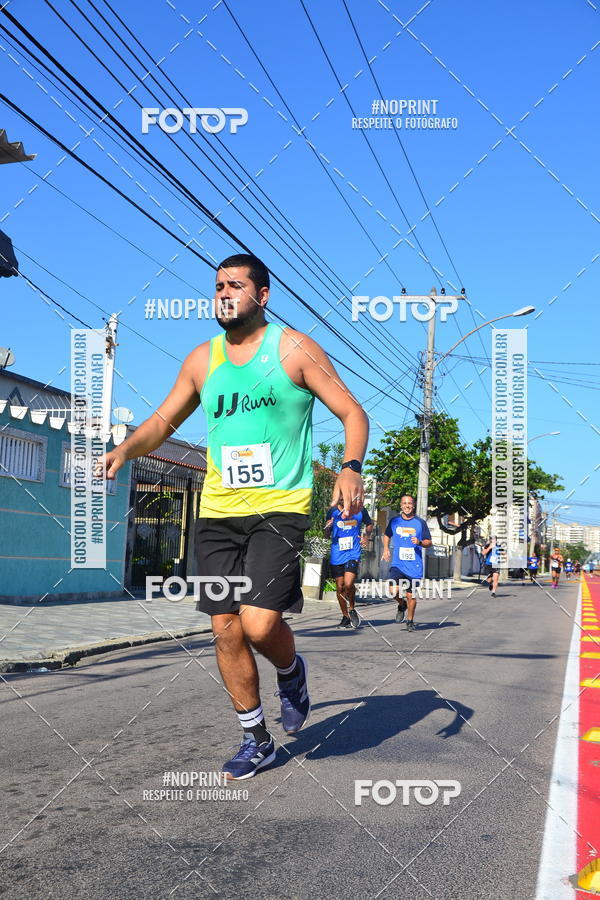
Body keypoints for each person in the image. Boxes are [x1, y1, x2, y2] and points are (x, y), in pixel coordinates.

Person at [99, 253, 368, 779]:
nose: (223, 294)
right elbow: (162, 419)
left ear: (261, 296)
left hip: (279, 508)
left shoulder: (292, 348)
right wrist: (126, 450)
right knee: (225, 628)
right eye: (218, 286)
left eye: (235, 285)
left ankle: (290, 673)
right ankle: (255, 738)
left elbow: (352, 411)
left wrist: (350, 468)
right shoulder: (203, 360)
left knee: (260, 622)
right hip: (219, 512)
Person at [381, 495, 432, 632]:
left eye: (410, 503)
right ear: (401, 505)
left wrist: (420, 542)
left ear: (413, 505)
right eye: (404, 503)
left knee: (411, 595)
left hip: (414, 566)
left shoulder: (420, 523)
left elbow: (429, 542)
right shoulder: (394, 521)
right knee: (393, 591)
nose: (407, 505)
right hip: (398, 564)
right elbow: (386, 535)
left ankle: (410, 621)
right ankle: (401, 604)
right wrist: (386, 549)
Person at [325, 501, 373, 628]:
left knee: (348, 583)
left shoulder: (360, 510)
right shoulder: (333, 511)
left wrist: (366, 537)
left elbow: (369, 524)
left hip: (353, 552)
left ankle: (352, 608)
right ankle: (345, 616)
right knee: (340, 587)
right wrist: (328, 527)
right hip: (337, 554)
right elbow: (326, 535)